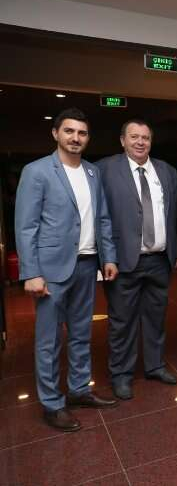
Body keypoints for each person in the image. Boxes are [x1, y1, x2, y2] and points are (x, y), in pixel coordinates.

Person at [15, 108, 119, 431]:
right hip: (50, 270)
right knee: (49, 341)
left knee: (81, 334)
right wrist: (31, 273)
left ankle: (78, 390)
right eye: (69, 131)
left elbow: (102, 218)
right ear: (55, 133)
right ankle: (52, 403)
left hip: (87, 265)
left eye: (82, 133)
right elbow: (26, 226)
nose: (76, 138)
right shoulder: (37, 171)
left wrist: (109, 257)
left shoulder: (93, 172)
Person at [97, 119, 177, 400]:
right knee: (122, 322)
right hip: (123, 261)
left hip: (159, 260)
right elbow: (100, 217)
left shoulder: (167, 171)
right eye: (134, 137)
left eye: (145, 137)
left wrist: (175, 251)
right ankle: (121, 374)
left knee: (156, 318)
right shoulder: (105, 169)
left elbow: (173, 215)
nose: (140, 142)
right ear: (123, 140)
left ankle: (155, 366)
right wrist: (106, 257)